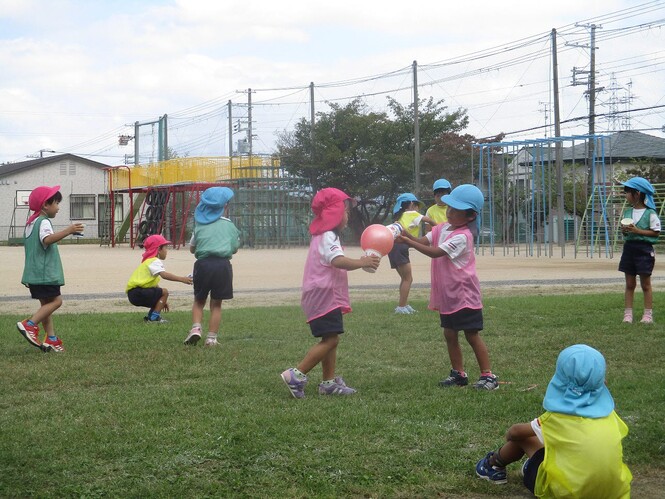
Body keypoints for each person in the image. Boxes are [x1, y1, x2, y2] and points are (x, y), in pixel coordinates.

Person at [475, 344, 632, 497]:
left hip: (566, 493)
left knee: (524, 437)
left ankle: (493, 465)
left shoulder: (557, 419)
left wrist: (509, 436)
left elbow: (516, 432)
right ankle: (532, 465)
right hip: (613, 492)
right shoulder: (610, 415)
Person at [281, 188, 380, 399]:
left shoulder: (324, 236)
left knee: (331, 337)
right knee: (331, 340)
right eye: (345, 211)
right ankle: (295, 374)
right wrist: (362, 262)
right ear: (335, 213)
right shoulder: (328, 236)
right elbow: (337, 261)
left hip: (322, 295)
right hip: (324, 295)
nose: (347, 216)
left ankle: (328, 382)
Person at [398, 184, 498, 390]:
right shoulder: (442, 228)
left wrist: (407, 241)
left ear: (470, 216)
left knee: (471, 334)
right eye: (449, 208)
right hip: (447, 295)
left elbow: (435, 252)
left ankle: (488, 376)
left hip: (464, 294)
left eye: (455, 210)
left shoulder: (463, 236)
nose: (449, 212)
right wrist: (405, 236)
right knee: (450, 334)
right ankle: (458, 373)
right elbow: (423, 241)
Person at [16, 185, 85, 352]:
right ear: (46, 205)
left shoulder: (30, 223)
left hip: (34, 274)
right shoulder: (44, 221)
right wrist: (68, 230)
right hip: (44, 274)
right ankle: (30, 324)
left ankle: (51, 339)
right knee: (56, 301)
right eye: (56, 203)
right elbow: (47, 239)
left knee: (45, 306)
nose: (58, 207)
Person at [183, 186, 240, 346]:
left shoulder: (200, 225)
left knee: (199, 300)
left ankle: (195, 329)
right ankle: (212, 338)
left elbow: (192, 248)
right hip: (222, 266)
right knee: (216, 303)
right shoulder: (230, 226)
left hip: (203, 265)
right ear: (225, 207)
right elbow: (234, 248)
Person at [619, 176, 661, 324]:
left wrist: (637, 231)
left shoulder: (651, 213)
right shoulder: (627, 213)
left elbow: (656, 232)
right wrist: (625, 231)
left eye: (627, 192)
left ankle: (648, 315)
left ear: (637, 194)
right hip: (629, 249)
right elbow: (626, 233)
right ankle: (628, 315)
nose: (625, 195)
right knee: (630, 284)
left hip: (644, 250)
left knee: (645, 284)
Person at [126, 234, 193, 323]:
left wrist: (161, 301)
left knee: (161, 292)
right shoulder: (154, 261)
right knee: (164, 291)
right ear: (158, 249)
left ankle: (151, 316)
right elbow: (164, 275)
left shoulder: (147, 261)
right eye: (165, 248)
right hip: (138, 292)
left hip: (133, 294)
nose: (167, 251)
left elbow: (153, 285)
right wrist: (182, 279)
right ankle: (154, 318)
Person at [388, 193, 435, 314]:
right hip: (401, 247)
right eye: (417, 205)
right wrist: (440, 227)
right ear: (411, 204)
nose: (418, 208)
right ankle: (401, 307)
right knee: (408, 278)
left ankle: (403, 304)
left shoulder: (400, 217)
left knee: (404, 278)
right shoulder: (412, 214)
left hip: (392, 247)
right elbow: (428, 220)